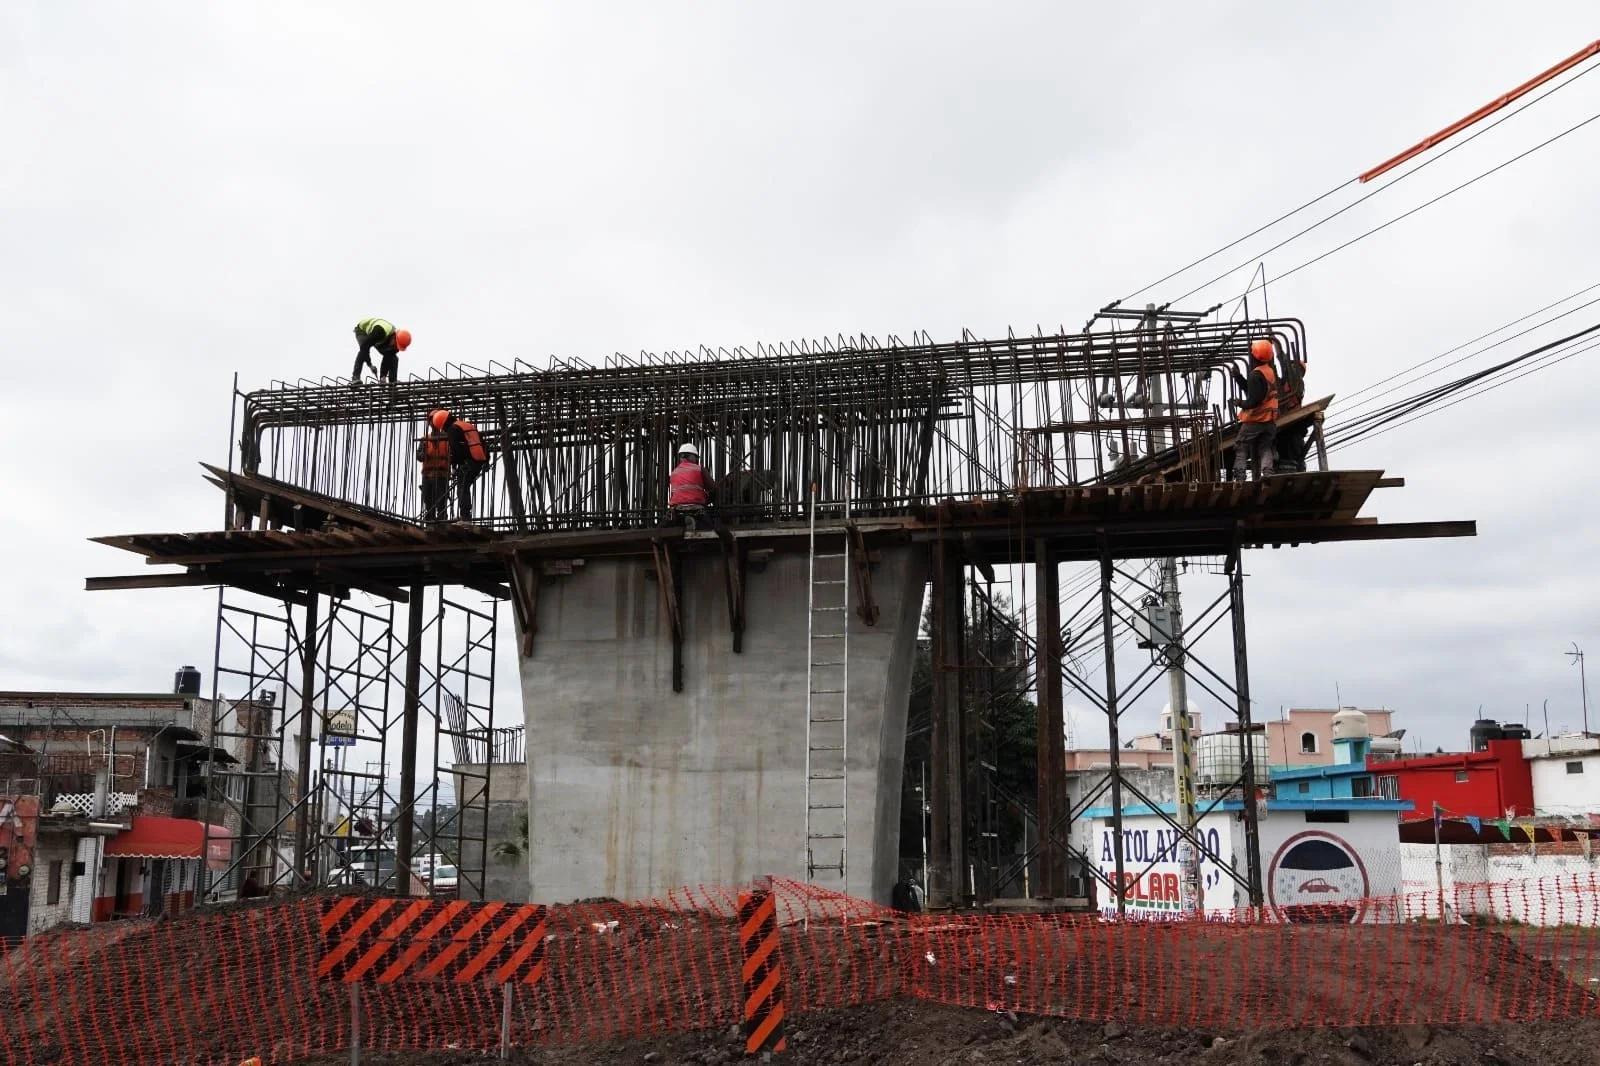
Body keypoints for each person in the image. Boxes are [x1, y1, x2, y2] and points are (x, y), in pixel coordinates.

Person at [1230, 338, 1278, 481]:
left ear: (1255, 357)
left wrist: (1239, 403)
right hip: (1270, 420)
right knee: (1265, 446)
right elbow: (1253, 390)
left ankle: (1240, 476)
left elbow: (1254, 401)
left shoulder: (1255, 375)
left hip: (1256, 419)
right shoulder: (1269, 371)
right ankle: (1268, 473)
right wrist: (1238, 377)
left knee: (1241, 445)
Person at [432, 409, 489, 521]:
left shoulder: (453, 429)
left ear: (443, 424)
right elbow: (482, 443)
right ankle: (465, 515)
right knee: (465, 486)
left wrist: (453, 467)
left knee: (462, 488)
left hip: (468, 462)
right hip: (478, 461)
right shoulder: (467, 425)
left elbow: (455, 451)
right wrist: (486, 460)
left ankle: (465, 517)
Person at [351, 317, 412, 385]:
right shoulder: (379, 332)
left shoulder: (395, 345)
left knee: (393, 357)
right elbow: (364, 347)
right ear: (394, 337)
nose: (395, 347)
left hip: (379, 338)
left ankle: (392, 382)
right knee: (363, 352)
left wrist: (383, 376)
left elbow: (388, 357)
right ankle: (355, 377)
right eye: (395, 345)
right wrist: (370, 365)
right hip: (363, 331)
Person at [667, 444, 714, 529]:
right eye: (696, 457)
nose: (696, 460)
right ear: (691, 456)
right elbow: (712, 489)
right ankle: (695, 523)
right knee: (709, 527)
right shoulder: (699, 469)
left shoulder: (674, 473)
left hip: (676, 509)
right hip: (695, 508)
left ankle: (685, 521)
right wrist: (708, 500)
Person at [417, 417, 452, 522]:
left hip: (441, 476)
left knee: (441, 503)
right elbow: (419, 456)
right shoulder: (425, 439)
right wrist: (423, 454)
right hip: (427, 476)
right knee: (428, 503)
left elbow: (454, 455)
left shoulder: (447, 439)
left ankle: (441, 523)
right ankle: (430, 523)